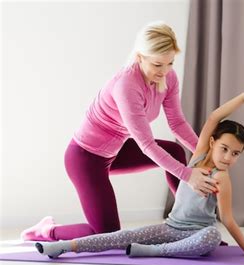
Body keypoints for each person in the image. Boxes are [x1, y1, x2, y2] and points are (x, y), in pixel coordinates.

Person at [20, 21, 218, 242]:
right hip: (86, 158)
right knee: (107, 237)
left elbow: (177, 124)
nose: (164, 72)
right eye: (157, 65)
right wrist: (188, 174)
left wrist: (208, 156)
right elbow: (146, 145)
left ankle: (187, 224)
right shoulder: (126, 86)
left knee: (174, 151)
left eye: (170, 63)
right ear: (140, 56)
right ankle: (46, 231)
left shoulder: (167, 77)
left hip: (117, 151)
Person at [35, 92, 244, 259]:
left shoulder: (222, 177)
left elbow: (228, 219)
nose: (228, 157)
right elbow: (214, 117)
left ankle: (154, 251)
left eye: (235, 154)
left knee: (212, 236)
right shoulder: (197, 156)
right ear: (211, 143)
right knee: (125, 235)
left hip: (197, 234)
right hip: (171, 228)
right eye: (224, 149)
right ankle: (64, 246)